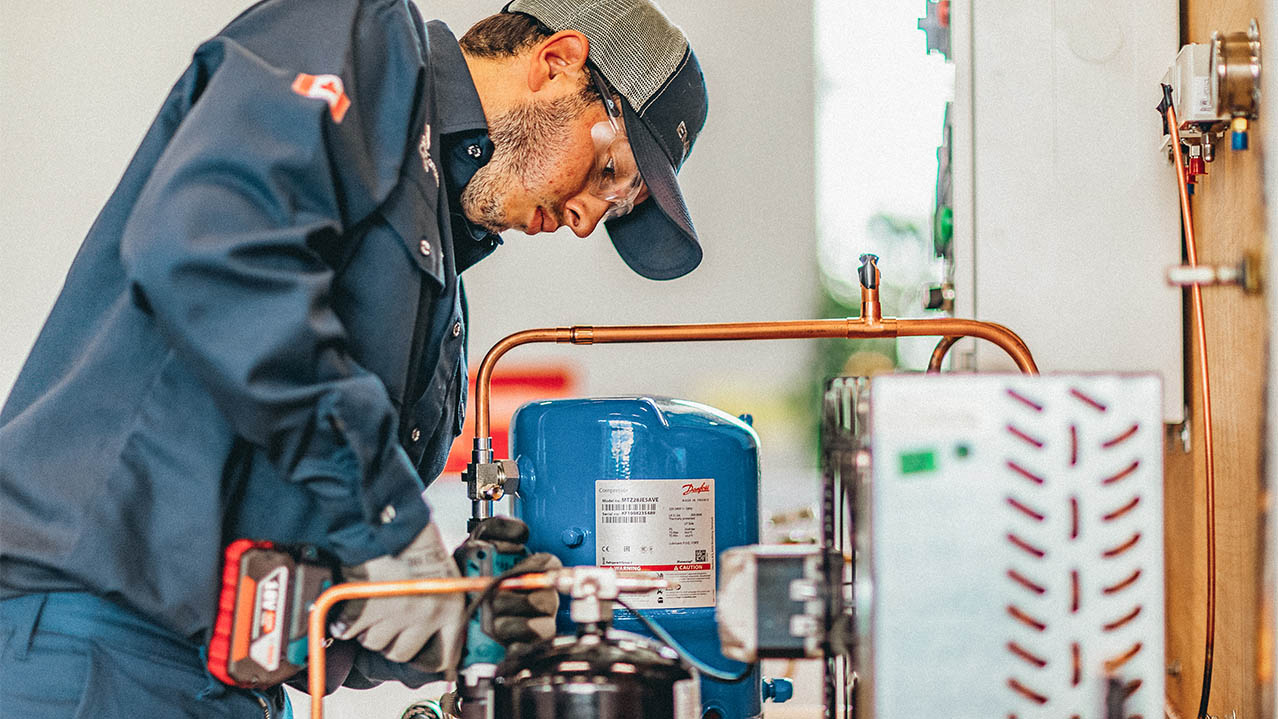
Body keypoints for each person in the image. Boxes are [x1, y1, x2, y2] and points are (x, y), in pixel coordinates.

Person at [0, 0, 710, 715]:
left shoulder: (438, 304)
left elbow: (313, 550)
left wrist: (452, 611)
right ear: (555, 62)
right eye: (610, 171)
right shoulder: (365, 39)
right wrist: (391, 526)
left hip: (236, 685)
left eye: (615, 207)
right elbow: (210, 249)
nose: (588, 218)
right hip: (96, 647)